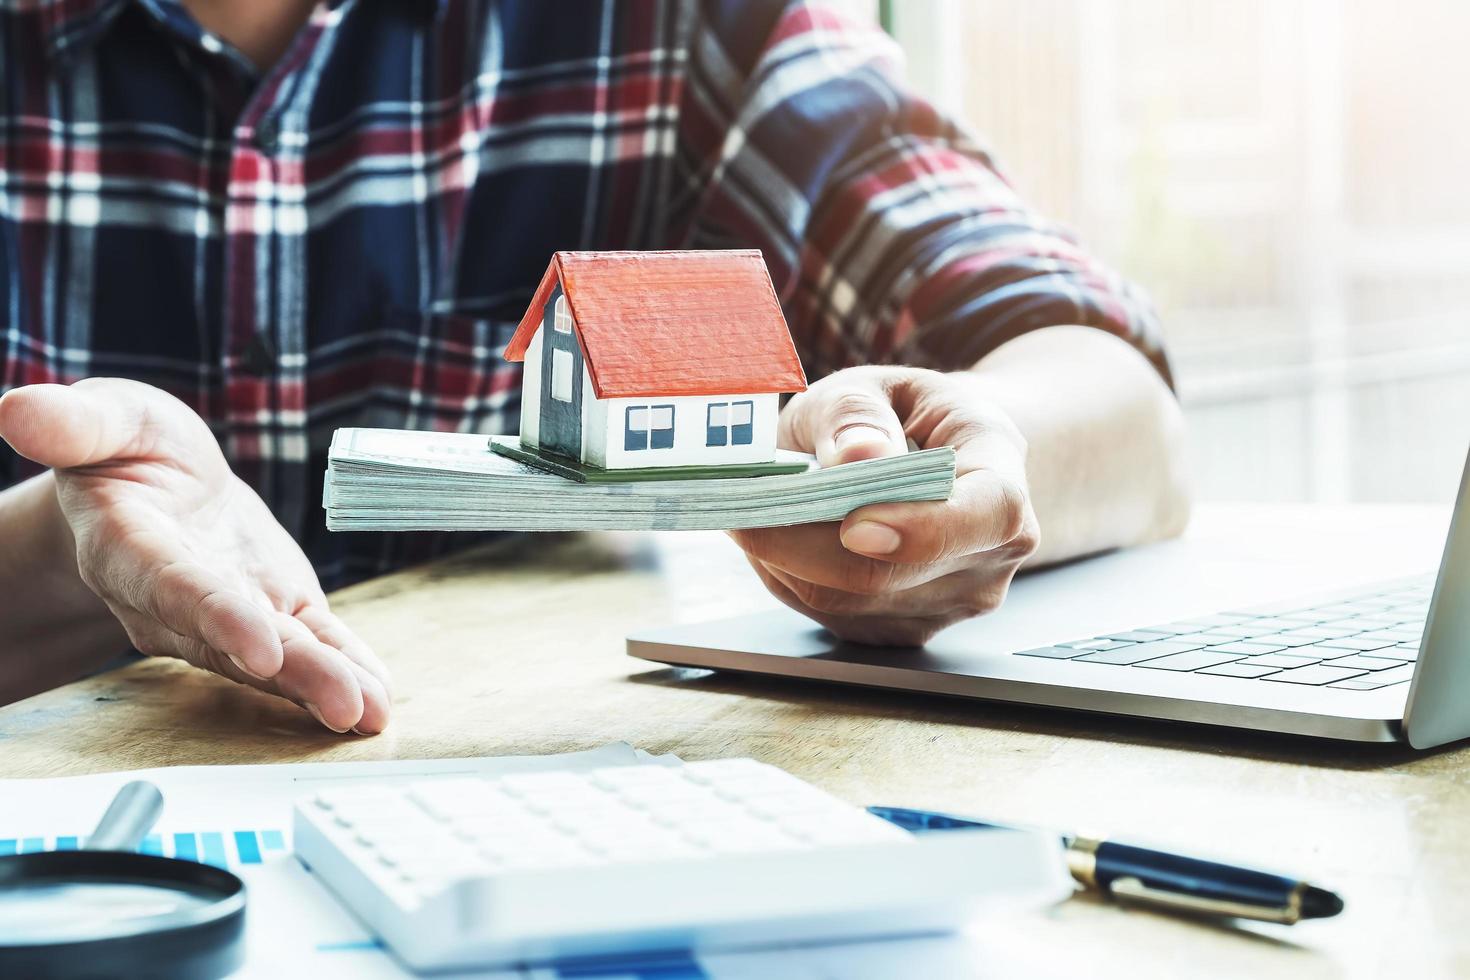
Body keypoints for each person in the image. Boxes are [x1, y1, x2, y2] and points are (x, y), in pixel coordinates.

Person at [0, 0, 1190, 733]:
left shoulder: (673, 22)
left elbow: (1121, 408)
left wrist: (968, 458)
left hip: (542, 785)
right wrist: (66, 554)